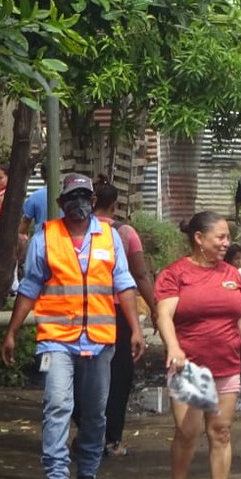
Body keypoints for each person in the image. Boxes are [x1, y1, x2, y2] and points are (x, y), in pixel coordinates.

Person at [0, 174, 146, 479]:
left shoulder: (109, 237)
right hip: (56, 339)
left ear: (93, 201)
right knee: (57, 406)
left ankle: (88, 474)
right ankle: (57, 478)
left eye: (84, 196)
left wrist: (136, 329)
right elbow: (30, 286)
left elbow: (124, 285)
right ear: (61, 203)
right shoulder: (45, 237)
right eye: (72, 197)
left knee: (95, 411)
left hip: (99, 340)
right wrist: (12, 331)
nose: (78, 202)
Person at [154, 211, 241, 479]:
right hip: (190, 368)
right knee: (187, 432)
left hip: (226, 365)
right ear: (199, 238)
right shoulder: (176, 274)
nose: (226, 243)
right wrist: (174, 347)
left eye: (228, 237)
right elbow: (164, 315)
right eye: (220, 237)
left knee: (220, 432)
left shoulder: (231, 274)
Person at [93, 176, 157, 459]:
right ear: (115, 205)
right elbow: (140, 275)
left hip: (84, 310)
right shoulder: (125, 233)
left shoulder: (76, 231)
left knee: (84, 372)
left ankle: (88, 433)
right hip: (118, 311)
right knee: (119, 374)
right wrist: (155, 308)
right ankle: (112, 439)